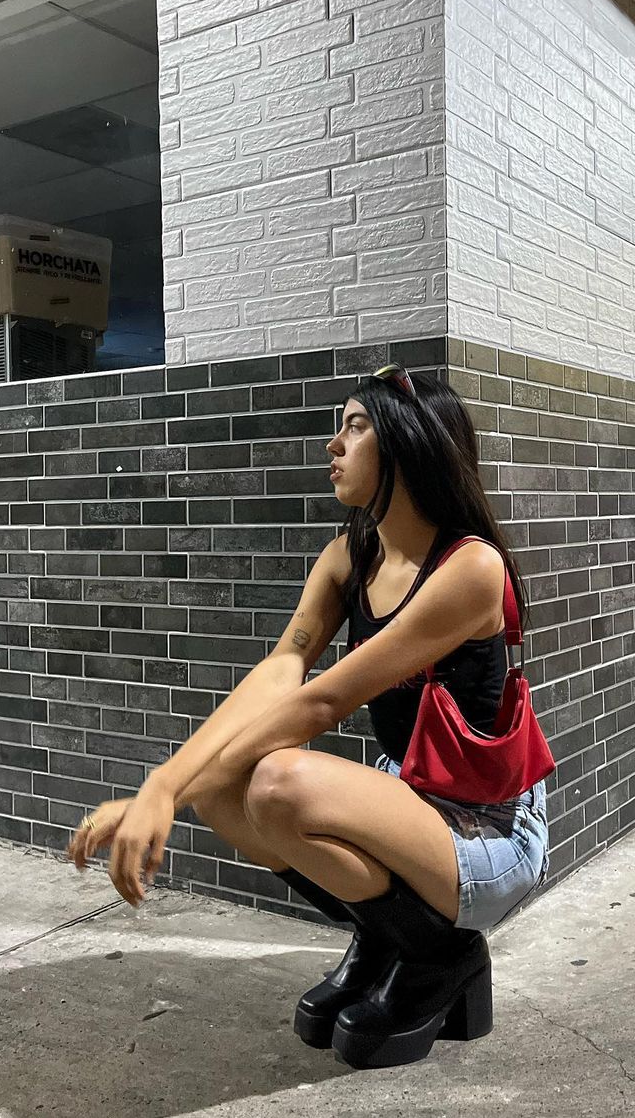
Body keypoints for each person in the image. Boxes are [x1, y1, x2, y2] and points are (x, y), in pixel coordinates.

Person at [65, 364, 551, 1069]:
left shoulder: (471, 568)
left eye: (355, 426)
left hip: (489, 828)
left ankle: (441, 957)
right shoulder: (347, 557)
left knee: (278, 783)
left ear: (406, 441)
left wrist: (165, 791)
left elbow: (323, 702)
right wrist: (167, 786)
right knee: (222, 791)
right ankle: (388, 938)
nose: (334, 444)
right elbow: (282, 671)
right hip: (409, 798)